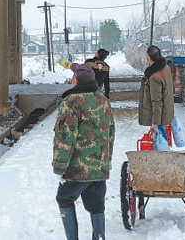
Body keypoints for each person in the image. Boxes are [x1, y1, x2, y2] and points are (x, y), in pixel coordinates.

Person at [53, 63, 114, 240]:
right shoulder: (103, 100)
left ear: (76, 80)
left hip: (77, 168)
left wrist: (59, 167)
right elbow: (110, 132)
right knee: (96, 205)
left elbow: (65, 137)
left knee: (64, 199)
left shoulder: (71, 102)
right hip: (99, 166)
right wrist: (106, 160)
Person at [139, 45, 174, 132]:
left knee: (159, 143)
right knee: (163, 143)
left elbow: (157, 101)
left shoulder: (154, 77)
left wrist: (155, 123)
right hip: (165, 114)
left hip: (159, 120)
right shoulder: (166, 68)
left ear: (149, 57)